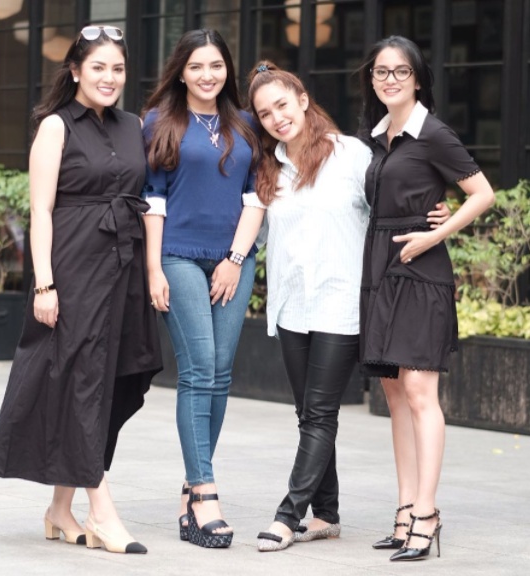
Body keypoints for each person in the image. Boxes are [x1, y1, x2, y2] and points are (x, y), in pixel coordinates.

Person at [247, 61, 450, 553]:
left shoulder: (351, 155)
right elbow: (259, 230)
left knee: (320, 414)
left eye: (282, 105)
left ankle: (287, 516)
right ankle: (327, 514)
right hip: (291, 306)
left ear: (302, 99)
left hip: (341, 304)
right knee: (307, 414)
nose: (276, 118)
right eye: (265, 113)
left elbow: (396, 200)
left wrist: (437, 211)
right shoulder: (269, 167)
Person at [0, 26, 163, 555]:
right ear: (75, 71)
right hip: (73, 267)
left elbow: (146, 197)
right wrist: (44, 283)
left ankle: (59, 511)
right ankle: (102, 512)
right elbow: (40, 211)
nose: (109, 78)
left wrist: (150, 269)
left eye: (118, 69)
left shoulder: (134, 125)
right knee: (82, 380)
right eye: (98, 67)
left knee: (108, 382)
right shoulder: (55, 126)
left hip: (123, 267)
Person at [358, 35, 495, 562]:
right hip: (381, 269)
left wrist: (438, 232)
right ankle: (404, 511)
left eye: (401, 71)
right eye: (381, 71)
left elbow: (482, 193)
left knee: (419, 391)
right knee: (393, 393)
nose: (390, 79)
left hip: (421, 270)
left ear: (417, 79)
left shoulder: (433, 132)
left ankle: (427, 512)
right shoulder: (379, 136)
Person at [141, 29, 263, 549]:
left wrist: (234, 260)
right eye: (196, 66)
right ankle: (206, 493)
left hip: (236, 258)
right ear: (181, 72)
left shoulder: (248, 124)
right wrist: (153, 268)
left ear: (227, 70)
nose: (207, 75)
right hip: (179, 255)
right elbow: (152, 199)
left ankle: (191, 489)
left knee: (220, 373)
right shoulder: (158, 122)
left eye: (216, 65)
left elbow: (257, 196)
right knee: (198, 369)